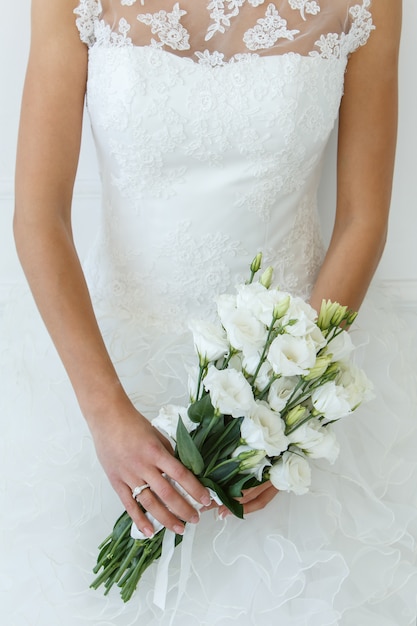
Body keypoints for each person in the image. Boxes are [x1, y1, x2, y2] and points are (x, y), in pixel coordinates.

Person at [2, 0, 416, 623]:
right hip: (106, 368)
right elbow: (38, 217)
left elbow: (363, 219)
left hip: (286, 370)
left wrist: (284, 408)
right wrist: (108, 418)